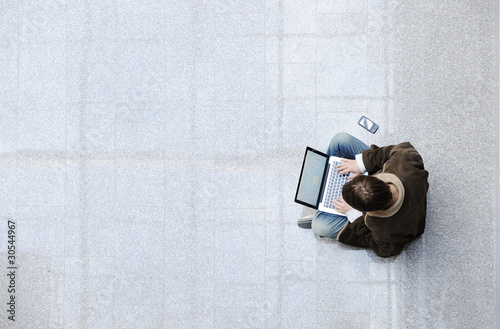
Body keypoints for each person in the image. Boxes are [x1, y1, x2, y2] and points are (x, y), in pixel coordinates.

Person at [297, 132, 429, 258]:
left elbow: (384, 250)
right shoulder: (404, 161)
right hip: (402, 189)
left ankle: (322, 209)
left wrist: (354, 216)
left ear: (367, 211)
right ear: (375, 178)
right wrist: (362, 164)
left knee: (319, 226)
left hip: (380, 222)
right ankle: (324, 206)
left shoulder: (385, 230)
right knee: (340, 140)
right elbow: (402, 149)